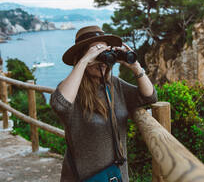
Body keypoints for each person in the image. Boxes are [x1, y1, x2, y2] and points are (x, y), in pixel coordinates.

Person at [50, 25, 157, 182]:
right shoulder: (73, 91)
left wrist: (135, 66)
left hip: (116, 176)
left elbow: (150, 97)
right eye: (96, 53)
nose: (101, 60)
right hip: (83, 178)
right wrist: (85, 60)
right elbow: (60, 104)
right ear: (81, 56)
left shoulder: (115, 85)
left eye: (104, 53)